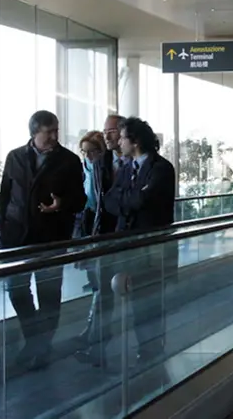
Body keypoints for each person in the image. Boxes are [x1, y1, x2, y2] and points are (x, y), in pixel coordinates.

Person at [0, 110, 86, 370]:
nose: (55, 136)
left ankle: (41, 346)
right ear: (34, 133)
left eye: (57, 130)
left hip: (51, 237)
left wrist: (61, 205)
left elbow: (80, 200)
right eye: (49, 132)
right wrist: (2, 224)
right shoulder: (15, 157)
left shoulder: (68, 161)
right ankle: (36, 341)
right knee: (17, 291)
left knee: (48, 293)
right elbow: (4, 193)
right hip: (16, 237)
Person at [104, 117, 176, 364]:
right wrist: (131, 198)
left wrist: (128, 199)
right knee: (135, 301)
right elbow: (109, 201)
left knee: (149, 303)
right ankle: (145, 350)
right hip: (129, 245)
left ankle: (151, 351)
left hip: (153, 248)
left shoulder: (161, 168)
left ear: (134, 141)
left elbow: (143, 201)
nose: (118, 142)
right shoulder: (126, 167)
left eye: (122, 137)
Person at [74, 116, 124, 367]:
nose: (89, 156)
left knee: (106, 291)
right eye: (85, 152)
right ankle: (97, 342)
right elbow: (93, 206)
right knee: (102, 290)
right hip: (100, 237)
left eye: (113, 131)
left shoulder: (117, 165)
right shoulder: (97, 168)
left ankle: (101, 340)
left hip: (123, 238)